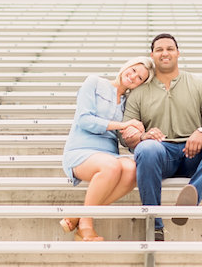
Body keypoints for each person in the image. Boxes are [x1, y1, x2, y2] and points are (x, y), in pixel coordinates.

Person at [121, 33, 202, 241]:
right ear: (152, 55)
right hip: (160, 155)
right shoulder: (138, 93)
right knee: (146, 148)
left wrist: (201, 132)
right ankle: (155, 225)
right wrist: (143, 136)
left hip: (194, 153)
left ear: (178, 53)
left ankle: (191, 198)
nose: (165, 53)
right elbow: (126, 137)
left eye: (170, 49)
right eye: (159, 50)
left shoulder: (198, 83)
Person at [60, 56, 154, 241]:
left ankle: (79, 214)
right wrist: (123, 125)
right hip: (81, 150)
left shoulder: (128, 102)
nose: (134, 77)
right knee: (111, 166)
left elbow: (126, 137)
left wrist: (138, 132)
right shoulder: (94, 82)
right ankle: (85, 226)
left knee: (133, 170)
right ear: (127, 65)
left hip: (109, 154)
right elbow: (84, 120)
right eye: (134, 70)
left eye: (140, 78)